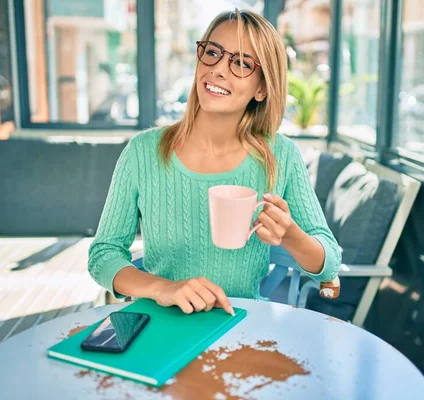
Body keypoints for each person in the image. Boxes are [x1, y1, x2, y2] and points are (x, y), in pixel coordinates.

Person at [88, 10, 340, 315]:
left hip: (243, 327)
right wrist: (163, 288)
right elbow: (103, 255)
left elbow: (330, 262)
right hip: (158, 328)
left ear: (262, 88)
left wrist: (290, 236)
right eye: (212, 53)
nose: (219, 69)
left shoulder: (280, 155)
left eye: (242, 63)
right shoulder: (142, 152)